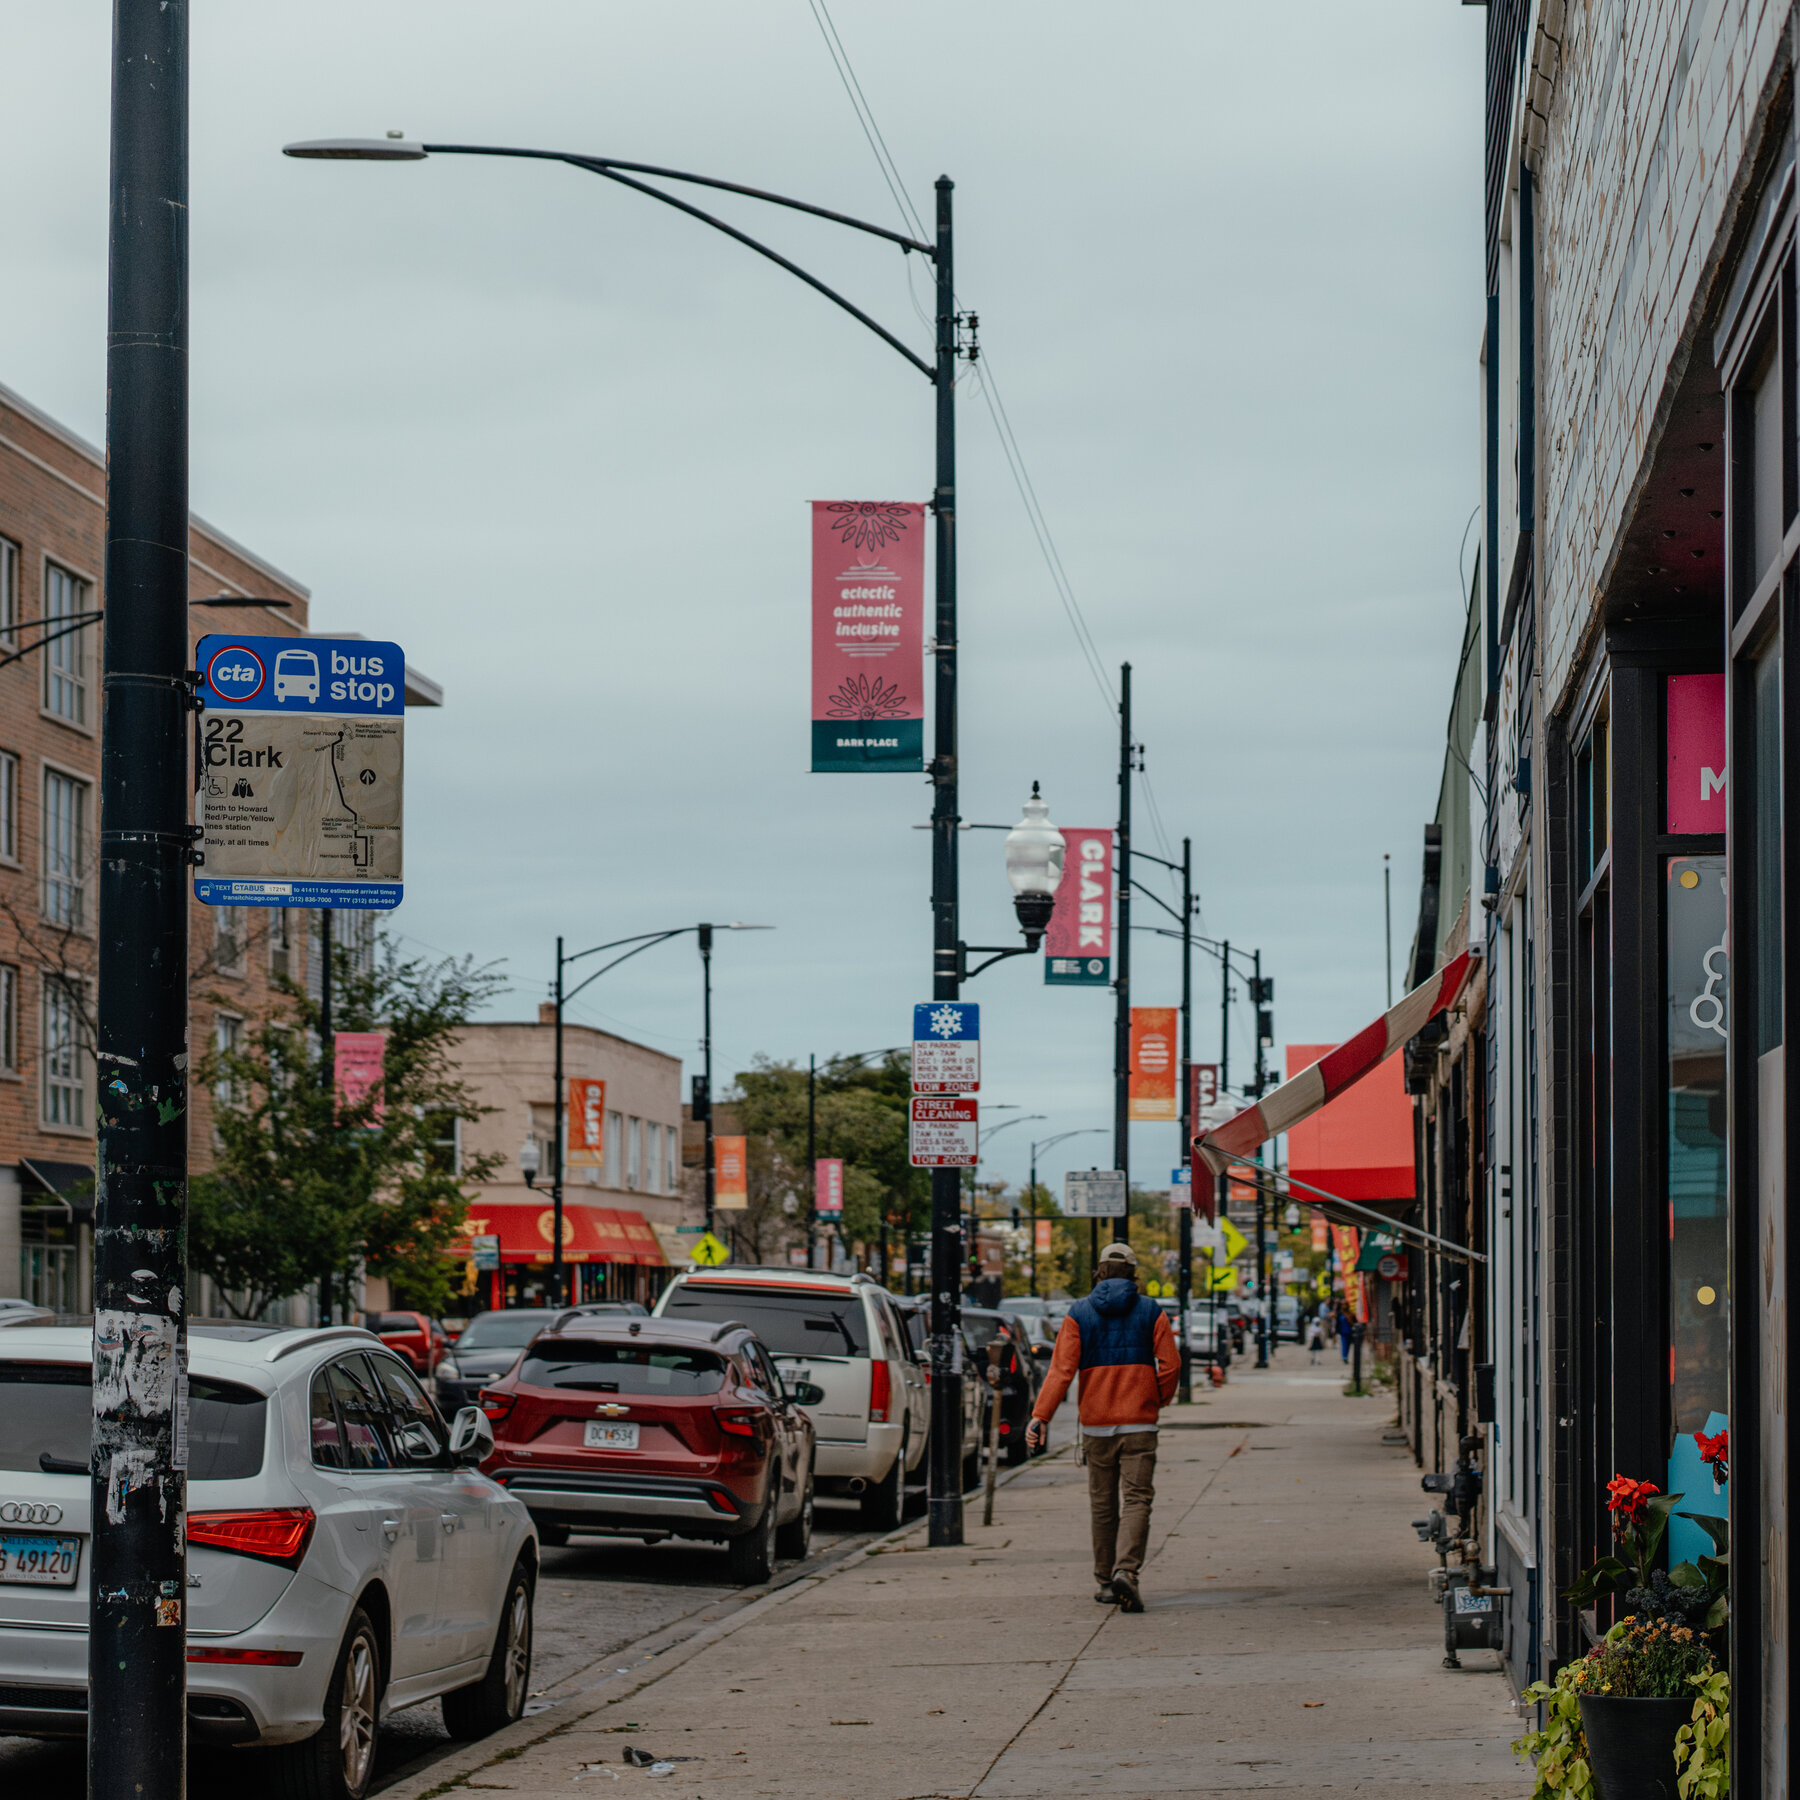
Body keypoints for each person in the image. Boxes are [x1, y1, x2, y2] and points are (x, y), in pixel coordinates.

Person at [1025, 1241, 1180, 1613]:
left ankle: (1105, 1581)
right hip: (1139, 1424)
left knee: (1102, 1504)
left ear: (1099, 1272)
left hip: (1096, 1427)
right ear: (1132, 1273)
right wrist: (1155, 1399)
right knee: (1137, 1499)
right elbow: (1171, 1366)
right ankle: (1127, 1570)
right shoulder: (1151, 1312)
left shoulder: (1079, 1314)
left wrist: (1040, 1416)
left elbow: (1062, 1371)